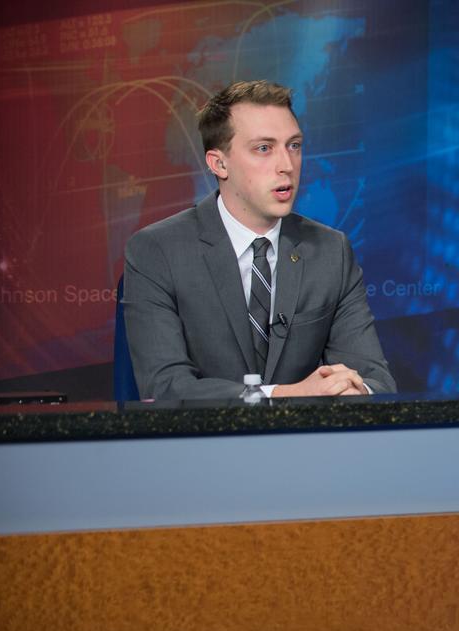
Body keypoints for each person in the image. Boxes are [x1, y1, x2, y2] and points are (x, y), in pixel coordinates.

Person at [123, 80, 395, 400]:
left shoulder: (330, 251)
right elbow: (165, 387)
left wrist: (353, 389)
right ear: (219, 163)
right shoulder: (158, 251)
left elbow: (376, 380)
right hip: (203, 446)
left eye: (294, 145)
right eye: (264, 148)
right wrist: (282, 395)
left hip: (309, 447)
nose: (286, 165)